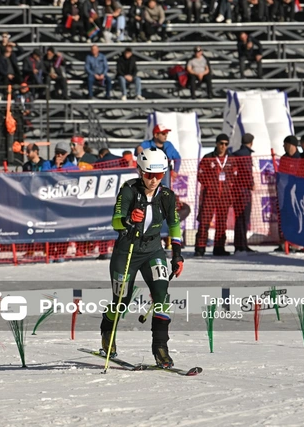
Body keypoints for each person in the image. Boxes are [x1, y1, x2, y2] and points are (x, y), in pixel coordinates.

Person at [101, 147, 183, 368]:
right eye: (149, 174)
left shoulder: (166, 196)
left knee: (162, 297)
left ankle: (160, 348)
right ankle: (107, 330)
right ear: (140, 171)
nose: (154, 180)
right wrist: (128, 219)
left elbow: (174, 225)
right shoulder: (128, 190)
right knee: (122, 301)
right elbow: (115, 220)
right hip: (127, 251)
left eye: (159, 175)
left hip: (153, 250)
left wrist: (177, 255)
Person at [195, 134, 237, 257]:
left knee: (221, 223)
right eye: (221, 143)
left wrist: (229, 186)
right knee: (204, 222)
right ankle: (200, 248)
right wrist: (210, 185)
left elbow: (236, 175)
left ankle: (219, 248)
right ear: (216, 144)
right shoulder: (208, 158)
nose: (223, 146)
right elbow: (200, 175)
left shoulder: (231, 159)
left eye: (226, 144)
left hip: (224, 196)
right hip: (210, 195)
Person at [231, 133, 256, 255]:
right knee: (244, 218)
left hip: (235, 190)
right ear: (251, 143)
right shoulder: (246, 155)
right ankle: (242, 245)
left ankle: (240, 244)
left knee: (238, 218)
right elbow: (246, 171)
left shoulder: (235, 154)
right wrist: (251, 183)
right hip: (244, 191)